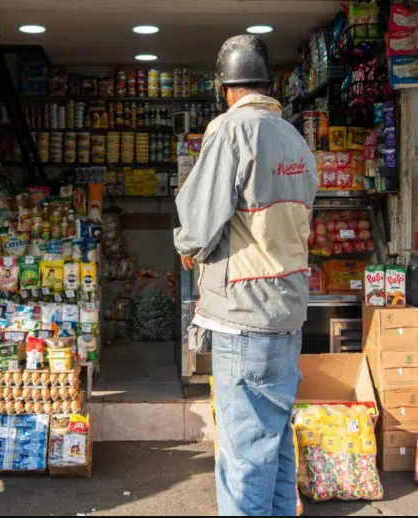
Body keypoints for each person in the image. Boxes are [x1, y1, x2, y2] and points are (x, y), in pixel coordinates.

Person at [174, 35, 318, 517]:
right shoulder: (294, 136)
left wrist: (188, 248)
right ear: (267, 84)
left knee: (241, 464)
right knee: (274, 449)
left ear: (225, 87)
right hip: (288, 318)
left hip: (245, 319)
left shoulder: (231, 130)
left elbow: (197, 223)